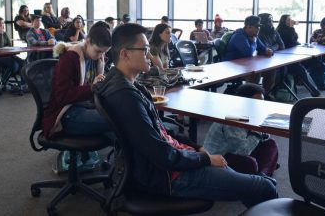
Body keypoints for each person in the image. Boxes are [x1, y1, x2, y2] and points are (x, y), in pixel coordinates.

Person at [93, 23, 277, 207]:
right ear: (125, 54)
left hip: (169, 164)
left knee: (255, 183)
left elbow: (160, 133)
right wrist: (205, 158)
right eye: (145, 49)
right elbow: (161, 154)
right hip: (166, 176)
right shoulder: (126, 97)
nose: (150, 55)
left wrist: (197, 148)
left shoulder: (125, 85)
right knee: (264, 187)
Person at [42, 21, 112, 138]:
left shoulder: (96, 59)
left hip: (85, 105)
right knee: (117, 120)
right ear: (88, 41)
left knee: (120, 114)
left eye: (104, 52)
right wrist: (92, 88)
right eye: (98, 51)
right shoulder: (69, 59)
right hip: (66, 113)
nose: (101, 56)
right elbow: (62, 96)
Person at [203, 83, 279, 177]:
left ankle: (263, 177)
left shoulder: (250, 113)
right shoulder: (232, 118)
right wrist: (257, 133)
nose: (260, 106)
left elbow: (258, 139)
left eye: (262, 103)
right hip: (218, 159)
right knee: (250, 163)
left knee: (271, 144)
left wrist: (263, 132)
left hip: (235, 151)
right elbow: (243, 151)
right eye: (257, 103)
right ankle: (260, 179)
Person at [276, 14, 321, 97]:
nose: (290, 21)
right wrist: (292, 27)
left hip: (291, 53)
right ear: (283, 21)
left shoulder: (289, 29)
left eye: (290, 19)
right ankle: (314, 90)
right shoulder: (280, 30)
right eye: (287, 20)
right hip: (284, 57)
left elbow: (295, 38)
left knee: (314, 60)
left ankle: (312, 84)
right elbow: (289, 40)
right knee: (300, 69)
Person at [0, 17, 27, 92]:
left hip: (7, 55)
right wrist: (0, 34)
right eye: (0, 23)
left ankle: (23, 84)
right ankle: (4, 81)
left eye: (3, 23)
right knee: (14, 65)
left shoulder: (4, 33)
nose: (2, 25)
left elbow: (9, 45)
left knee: (22, 63)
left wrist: (2, 34)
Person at [257, 13, 284, 92]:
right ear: (263, 22)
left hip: (273, 57)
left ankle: (275, 90)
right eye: (269, 21)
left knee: (285, 68)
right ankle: (268, 92)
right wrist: (276, 45)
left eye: (272, 21)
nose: (271, 23)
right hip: (261, 61)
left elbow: (282, 45)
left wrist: (273, 47)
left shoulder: (274, 31)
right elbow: (265, 48)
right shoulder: (259, 33)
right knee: (273, 70)